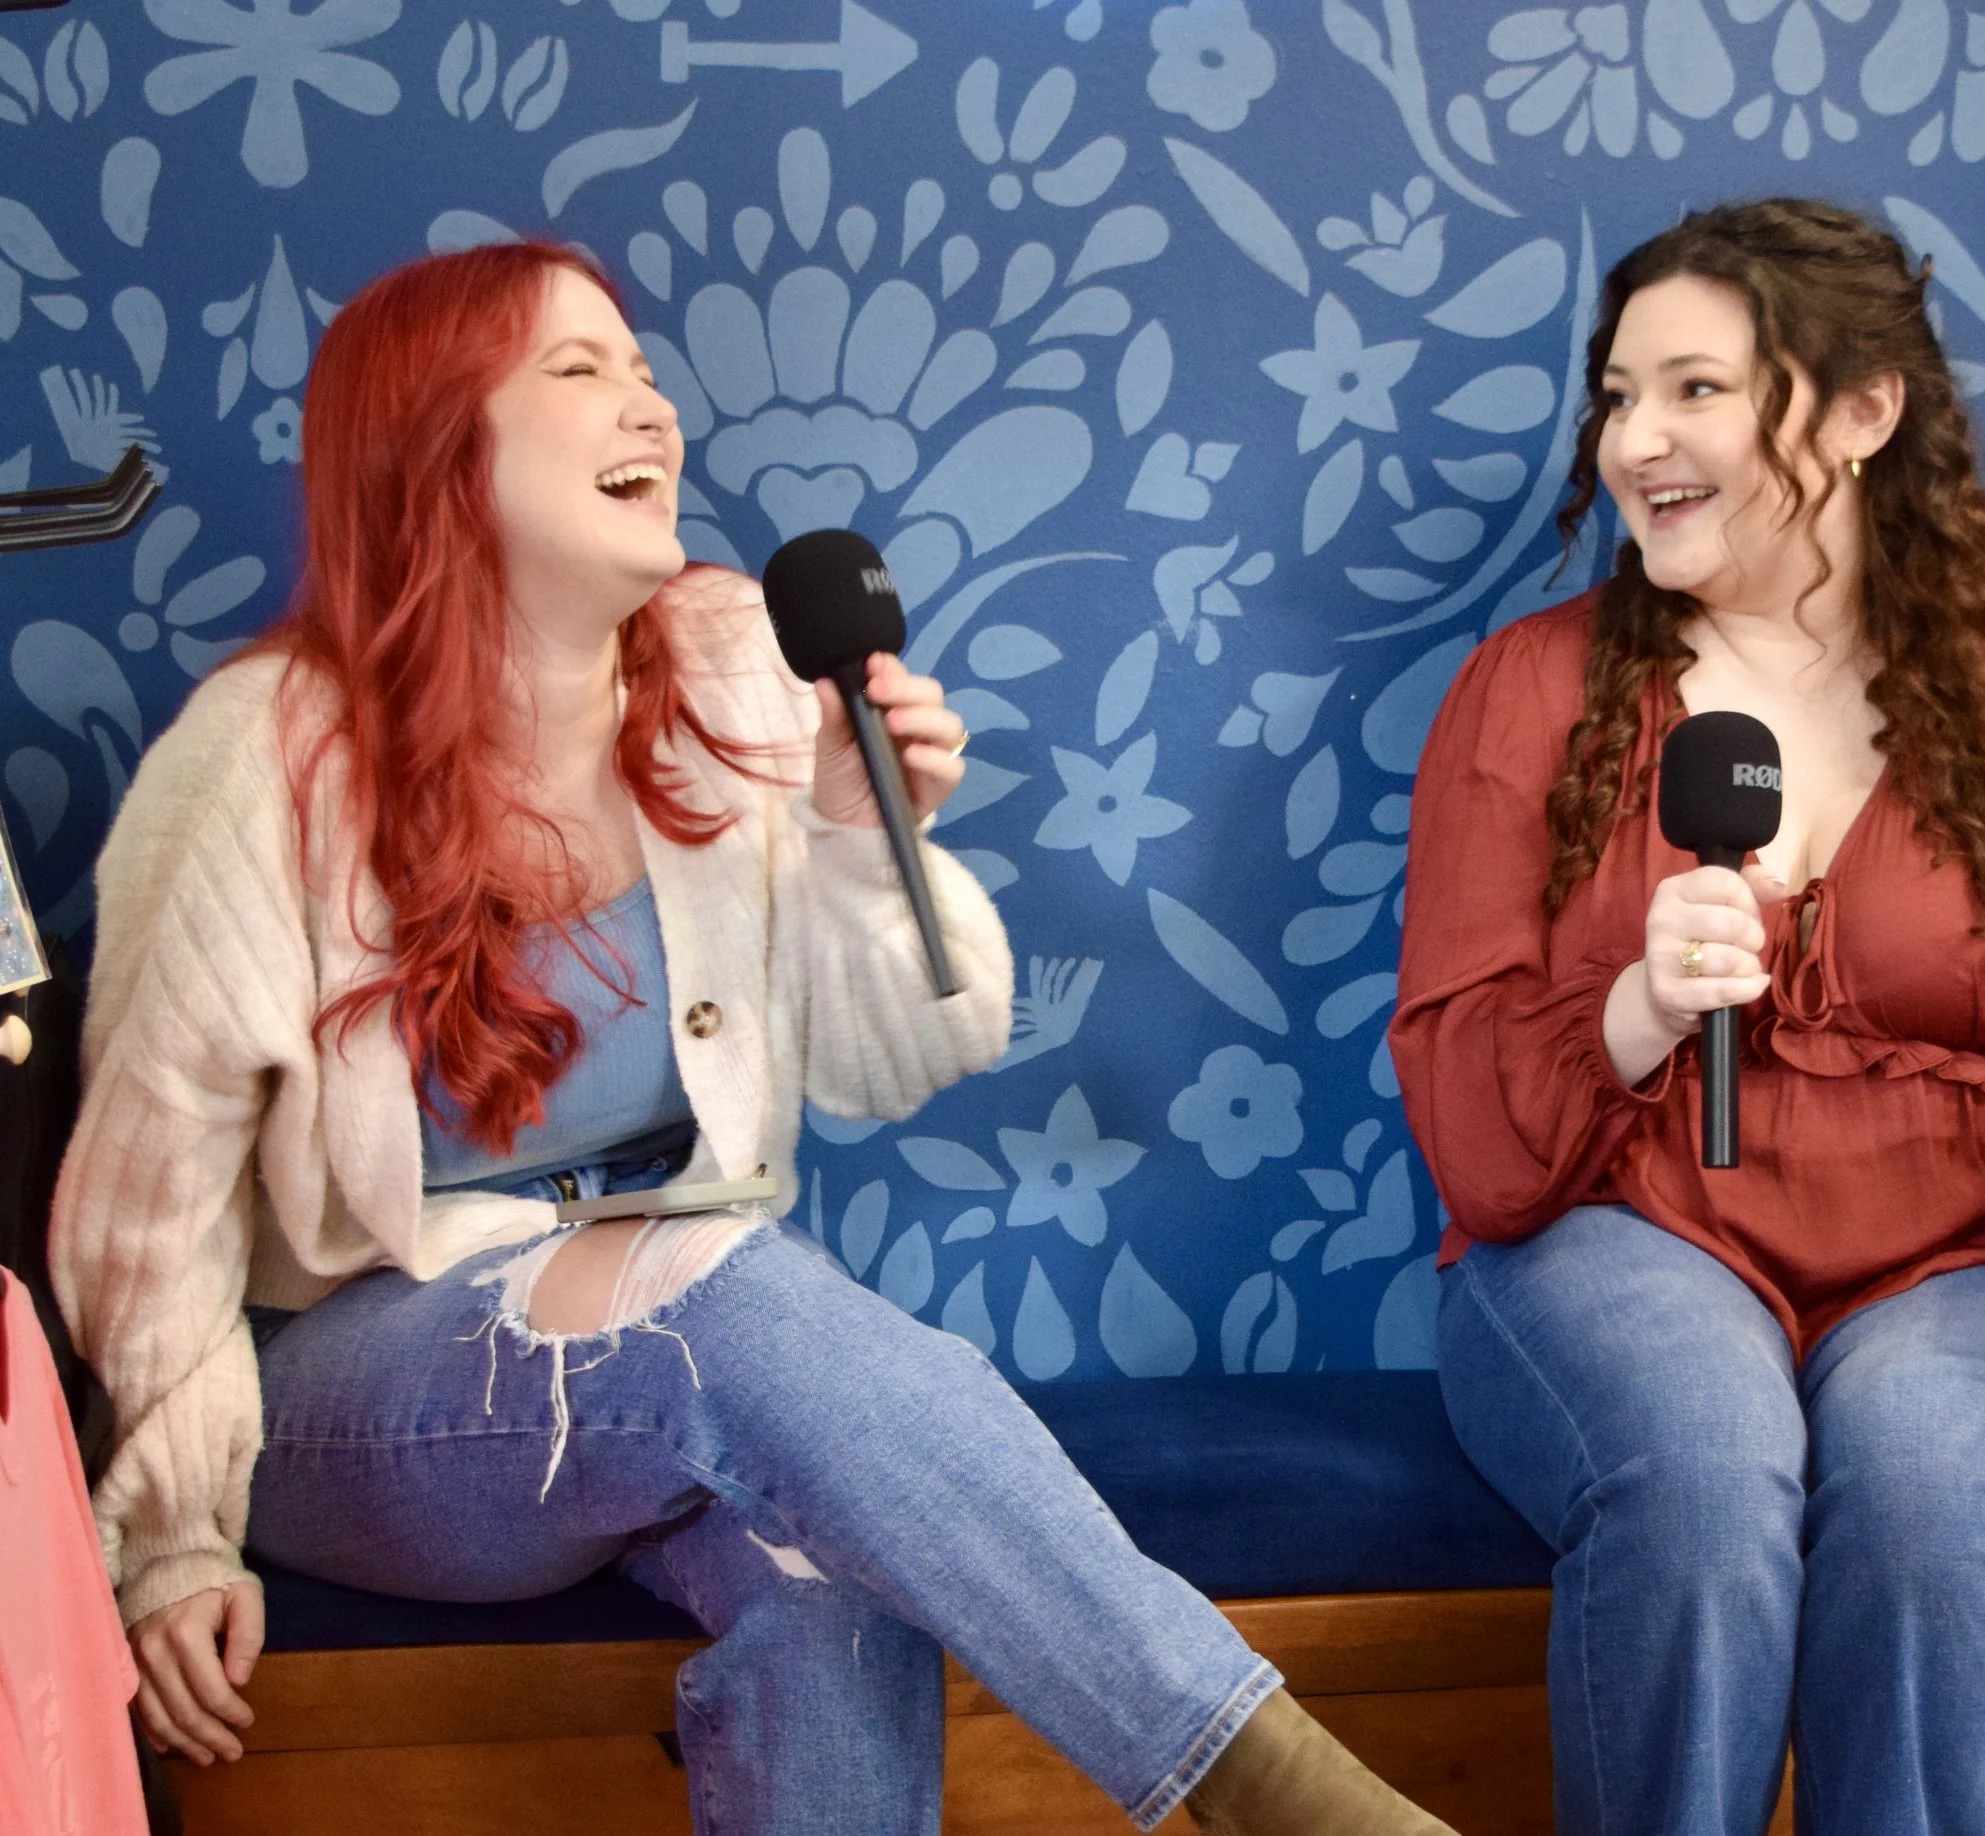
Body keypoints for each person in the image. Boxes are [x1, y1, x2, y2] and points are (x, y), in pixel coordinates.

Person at [50, 240, 1458, 1836]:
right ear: (433, 448)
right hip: (367, 1398)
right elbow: (146, 1190)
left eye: (638, 363)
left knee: (834, 1573)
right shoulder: (264, 755)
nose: (645, 394)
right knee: (719, 1293)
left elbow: (889, 1060)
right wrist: (168, 1535)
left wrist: (872, 842)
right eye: (576, 369)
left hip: (682, 1335)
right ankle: (1274, 1788)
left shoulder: (731, 666)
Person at [1389, 198, 1985, 1836]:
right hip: (1630, 1218)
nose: (1633, 440)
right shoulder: (1526, 690)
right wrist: (1639, 1008)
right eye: (1616, 396)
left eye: (1695, 391)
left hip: (1975, 1246)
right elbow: (1468, 1128)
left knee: (1934, 1492)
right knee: (1701, 1480)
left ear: (1867, 410)